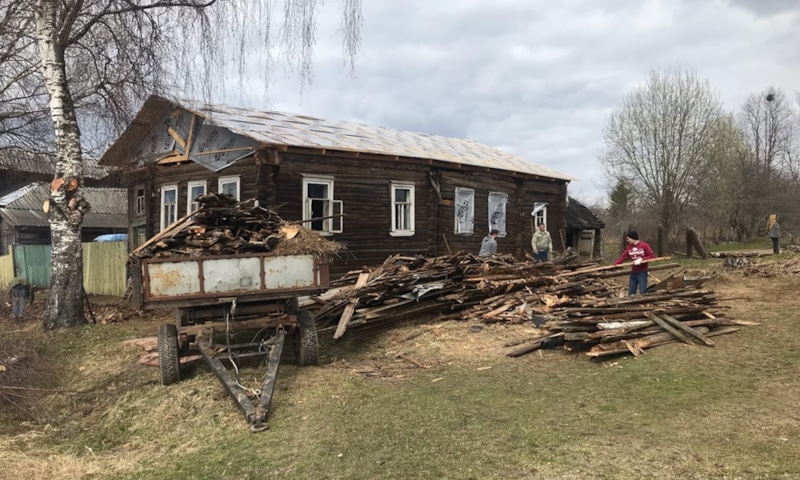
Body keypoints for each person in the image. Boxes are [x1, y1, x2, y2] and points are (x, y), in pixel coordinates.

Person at [612, 231, 655, 296]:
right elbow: (623, 257)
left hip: (642, 271)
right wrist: (614, 265)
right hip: (634, 272)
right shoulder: (629, 247)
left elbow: (652, 256)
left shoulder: (644, 245)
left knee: (642, 291)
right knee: (631, 291)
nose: (627, 240)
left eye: (628, 239)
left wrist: (641, 259)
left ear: (633, 238)